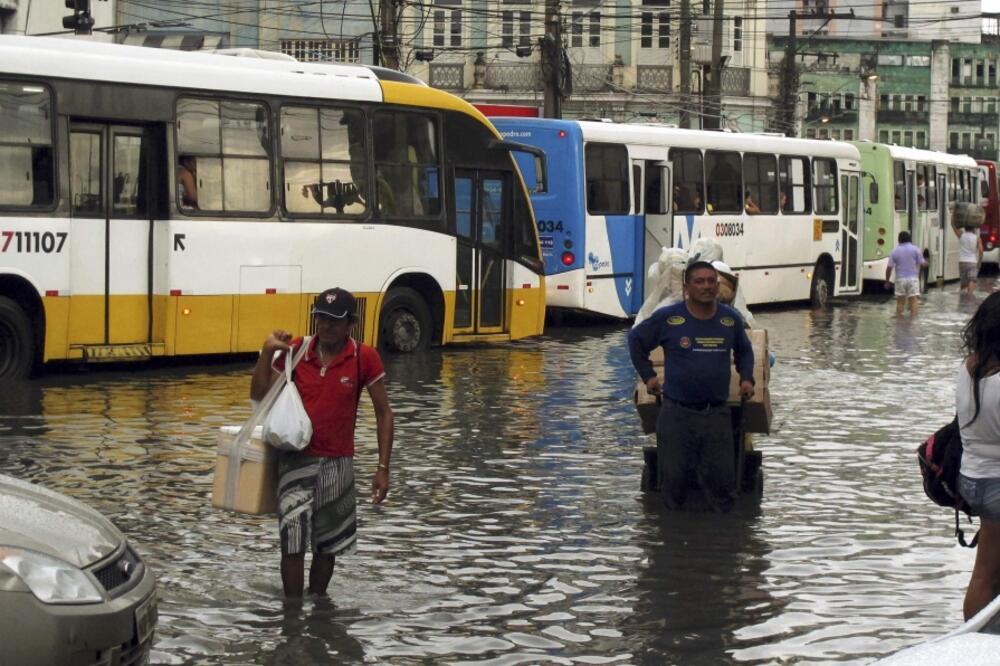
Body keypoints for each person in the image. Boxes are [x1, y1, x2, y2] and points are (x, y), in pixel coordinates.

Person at [250, 287, 394, 599]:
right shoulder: (297, 350)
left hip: (338, 463)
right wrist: (266, 354)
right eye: (321, 318)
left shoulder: (363, 358)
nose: (326, 326)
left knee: (328, 545)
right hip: (294, 460)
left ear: (350, 323)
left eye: (335, 320)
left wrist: (382, 469)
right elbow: (260, 397)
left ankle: (317, 604)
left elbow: (384, 414)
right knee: (291, 543)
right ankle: (292, 613)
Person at [628, 260, 755, 512]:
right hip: (677, 414)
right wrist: (648, 375)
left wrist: (747, 378)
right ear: (687, 287)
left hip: (716, 415)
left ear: (718, 285)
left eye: (711, 281)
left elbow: (745, 351)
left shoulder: (730, 320)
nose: (706, 287)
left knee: (722, 487)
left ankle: (721, 543)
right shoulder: (669, 318)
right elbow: (635, 340)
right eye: (699, 281)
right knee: (674, 485)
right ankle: (674, 543)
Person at [956, 292, 1000, 620]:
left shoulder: (970, 367)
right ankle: (974, 644)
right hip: (996, 485)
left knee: (988, 570)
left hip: (972, 478)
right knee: (986, 574)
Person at [884, 230, 927, 316]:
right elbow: (923, 264)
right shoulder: (916, 249)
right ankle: (913, 323)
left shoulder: (894, 251)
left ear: (899, 240)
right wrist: (926, 263)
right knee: (913, 301)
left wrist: (887, 281)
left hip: (900, 279)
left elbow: (889, 268)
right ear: (910, 239)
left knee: (900, 302)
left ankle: (899, 323)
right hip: (913, 279)